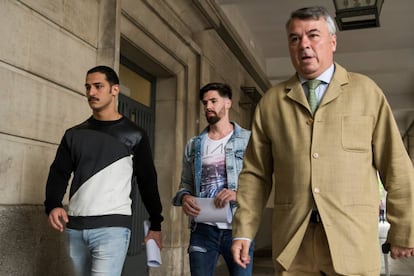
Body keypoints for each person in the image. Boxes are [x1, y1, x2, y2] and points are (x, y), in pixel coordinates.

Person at [231, 6, 414, 276]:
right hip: (294, 244)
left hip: (352, 241)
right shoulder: (272, 102)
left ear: (333, 41)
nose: (303, 44)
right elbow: (255, 174)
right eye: (295, 38)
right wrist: (243, 231)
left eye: (313, 35)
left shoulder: (366, 92)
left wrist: (404, 229)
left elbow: (395, 164)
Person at [44, 65, 163, 276]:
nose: (91, 93)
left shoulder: (135, 135)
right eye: (88, 87)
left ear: (114, 90)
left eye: (98, 86)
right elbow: (59, 172)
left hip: (112, 228)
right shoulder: (73, 134)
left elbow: (147, 182)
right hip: (75, 227)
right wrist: (53, 204)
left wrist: (156, 223)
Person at [173, 82, 254, 276]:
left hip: (238, 229)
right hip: (203, 230)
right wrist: (185, 198)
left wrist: (238, 194)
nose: (208, 106)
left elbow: (261, 183)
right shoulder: (194, 145)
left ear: (228, 103)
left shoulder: (248, 140)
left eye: (213, 101)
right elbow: (185, 184)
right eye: (205, 102)